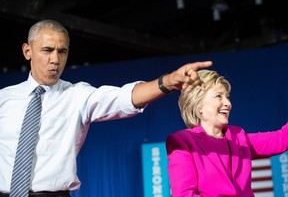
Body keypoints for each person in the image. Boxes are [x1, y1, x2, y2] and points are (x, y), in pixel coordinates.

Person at [0, 19, 212, 197]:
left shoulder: (77, 96)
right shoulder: (4, 98)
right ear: (27, 51)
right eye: (47, 50)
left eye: (62, 51)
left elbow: (124, 98)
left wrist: (168, 81)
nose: (55, 59)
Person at [166, 69, 288, 196]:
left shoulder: (239, 137)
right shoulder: (183, 142)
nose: (228, 103)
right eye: (219, 96)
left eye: (227, 97)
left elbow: (282, 139)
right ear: (199, 107)